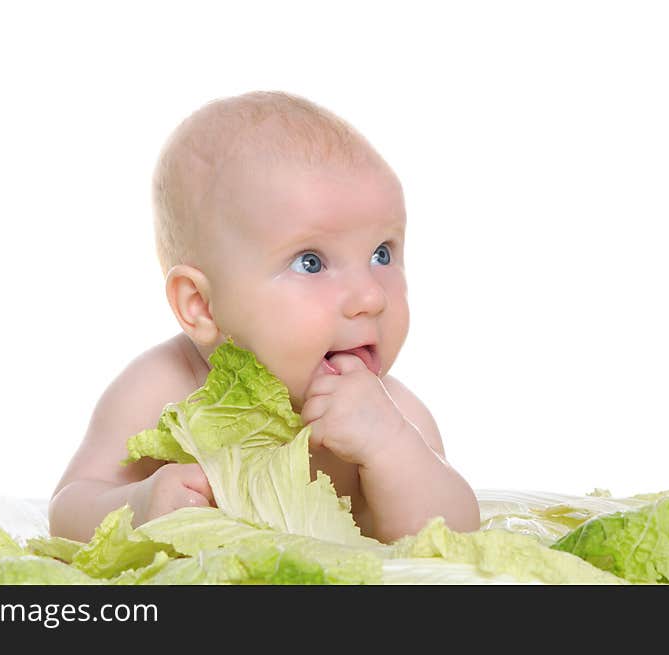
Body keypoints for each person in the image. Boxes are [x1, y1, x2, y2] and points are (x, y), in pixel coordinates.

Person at [49, 91, 480, 545]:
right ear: (199, 304)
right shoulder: (160, 390)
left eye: (382, 253)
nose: (371, 297)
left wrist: (393, 449)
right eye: (310, 262)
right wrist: (138, 506)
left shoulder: (393, 414)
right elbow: (69, 507)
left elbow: (456, 538)